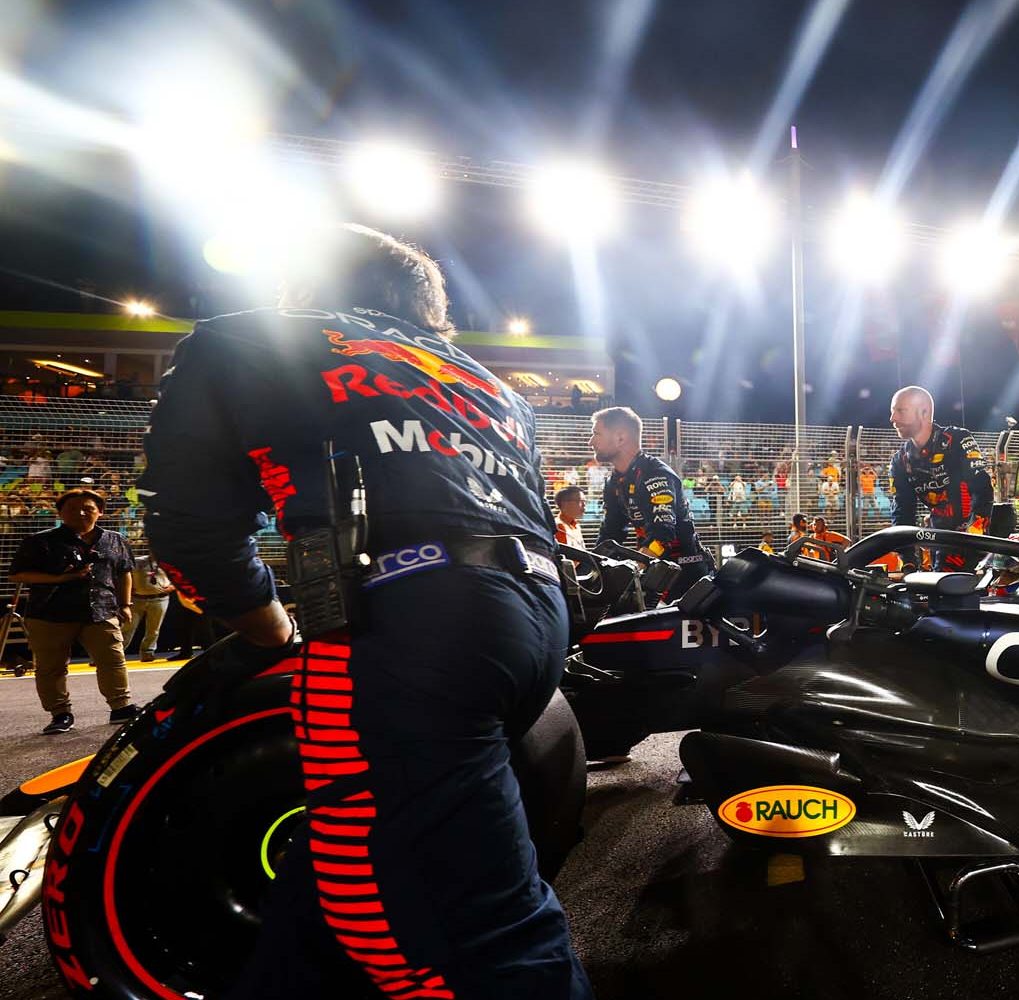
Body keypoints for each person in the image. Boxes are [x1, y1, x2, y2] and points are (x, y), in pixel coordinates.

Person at [140, 223, 592, 997]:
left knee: (483, 936)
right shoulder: (491, 383)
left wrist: (270, 625)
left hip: (410, 623)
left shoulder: (247, 339)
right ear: (428, 308)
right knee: (350, 864)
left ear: (305, 284)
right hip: (536, 621)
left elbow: (186, 529)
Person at [9, 488, 136, 732]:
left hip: (100, 611)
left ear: (100, 512)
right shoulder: (39, 541)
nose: (80, 513)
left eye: (88, 508)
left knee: (113, 660)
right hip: (49, 614)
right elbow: (18, 574)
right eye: (71, 509)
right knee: (51, 667)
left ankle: (120, 707)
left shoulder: (115, 539)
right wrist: (61, 578)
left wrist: (126, 604)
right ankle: (60, 714)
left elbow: (125, 572)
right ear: (60, 514)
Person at [591, 404, 712, 599]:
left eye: (596, 434)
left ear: (620, 438)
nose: (591, 442)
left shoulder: (654, 474)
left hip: (686, 575)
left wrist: (634, 569)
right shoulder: (614, 481)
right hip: (655, 571)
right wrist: (592, 568)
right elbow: (610, 534)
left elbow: (662, 535)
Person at [888, 385, 994, 571]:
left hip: (979, 536)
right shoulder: (900, 460)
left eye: (900, 411)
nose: (893, 419)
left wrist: (975, 535)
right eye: (892, 411)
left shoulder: (957, 440)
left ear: (924, 412)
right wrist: (908, 559)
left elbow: (982, 489)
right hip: (941, 539)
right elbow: (902, 510)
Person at [127, 553, 176, 662]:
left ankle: (147, 653)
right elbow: (125, 574)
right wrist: (128, 589)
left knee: (154, 629)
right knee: (127, 628)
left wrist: (172, 587)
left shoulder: (169, 563)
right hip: (137, 599)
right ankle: (112, 653)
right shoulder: (137, 561)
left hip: (160, 599)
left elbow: (180, 577)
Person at [553, 485, 587, 549]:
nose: (584, 505)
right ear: (564, 504)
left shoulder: (575, 525)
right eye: (579, 501)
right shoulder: (559, 528)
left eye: (584, 501)